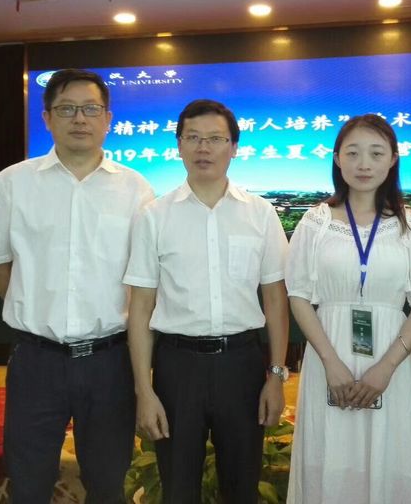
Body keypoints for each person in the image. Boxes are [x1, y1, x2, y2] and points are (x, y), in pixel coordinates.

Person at [0, 69, 154, 503]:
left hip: (109, 362)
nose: (79, 119)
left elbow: (145, 279)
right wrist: (34, 308)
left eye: (91, 109)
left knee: (107, 483)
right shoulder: (12, 183)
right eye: (67, 109)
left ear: (108, 119)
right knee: (29, 483)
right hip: (36, 360)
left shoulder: (135, 188)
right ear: (47, 118)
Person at [124, 99, 289, 504]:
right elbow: (140, 308)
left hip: (242, 365)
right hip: (177, 368)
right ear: (178, 145)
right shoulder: (154, 216)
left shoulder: (260, 213)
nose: (204, 148)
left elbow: (275, 300)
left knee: (242, 487)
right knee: (178, 488)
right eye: (193, 138)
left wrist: (276, 376)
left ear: (234, 147)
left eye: (215, 139)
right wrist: (144, 390)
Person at [285, 114, 411, 504]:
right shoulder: (316, 222)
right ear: (337, 159)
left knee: (392, 455)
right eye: (352, 153)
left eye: (376, 153)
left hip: (392, 361)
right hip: (328, 355)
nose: (364, 164)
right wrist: (330, 362)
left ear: (393, 159)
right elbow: (299, 296)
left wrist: (385, 367)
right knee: (330, 455)